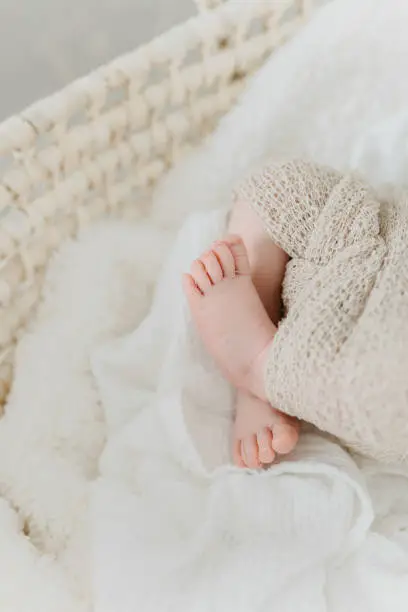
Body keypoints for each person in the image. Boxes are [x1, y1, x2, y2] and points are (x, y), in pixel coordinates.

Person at [183, 159, 408, 469]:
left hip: (368, 352)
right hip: (375, 236)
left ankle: (261, 367)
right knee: (275, 186)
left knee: (388, 392)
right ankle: (266, 312)